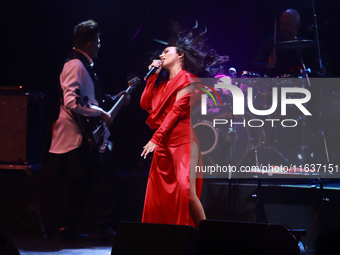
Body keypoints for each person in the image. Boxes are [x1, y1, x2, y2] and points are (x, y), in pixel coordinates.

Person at [45, 20, 129, 241]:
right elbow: (71, 102)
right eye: (98, 42)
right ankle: (97, 225)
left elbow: (89, 99)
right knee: (104, 176)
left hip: (85, 136)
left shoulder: (83, 65)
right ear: (90, 43)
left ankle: (70, 226)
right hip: (77, 135)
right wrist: (101, 113)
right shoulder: (74, 65)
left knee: (83, 181)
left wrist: (113, 100)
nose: (100, 46)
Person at [140, 22, 228, 228]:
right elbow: (145, 103)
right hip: (162, 143)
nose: (161, 55)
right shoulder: (161, 85)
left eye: (166, 51)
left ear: (180, 56)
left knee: (186, 192)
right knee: (158, 197)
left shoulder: (189, 80)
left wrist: (155, 139)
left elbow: (176, 112)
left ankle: (207, 237)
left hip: (182, 141)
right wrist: (152, 77)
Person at [253, 9, 324, 77]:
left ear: (298, 26)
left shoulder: (307, 47)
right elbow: (253, 65)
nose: (284, 27)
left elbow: (315, 68)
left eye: (288, 24)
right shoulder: (269, 43)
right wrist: (268, 65)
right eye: (282, 23)